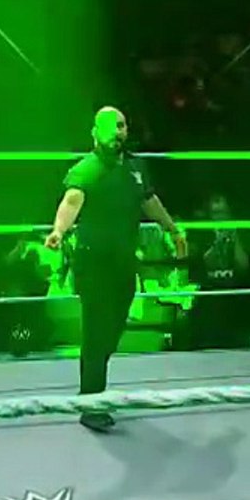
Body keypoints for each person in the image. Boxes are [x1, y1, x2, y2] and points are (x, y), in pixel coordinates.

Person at [45, 106, 185, 432]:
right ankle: (91, 402)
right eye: (110, 126)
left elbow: (149, 201)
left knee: (113, 327)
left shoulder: (135, 167)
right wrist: (58, 231)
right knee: (96, 332)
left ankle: (93, 383)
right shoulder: (87, 169)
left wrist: (172, 229)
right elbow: (71, 202)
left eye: (121, 125)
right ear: (95, 132)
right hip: (94, 262)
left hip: (123, 260)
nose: (117, 131)